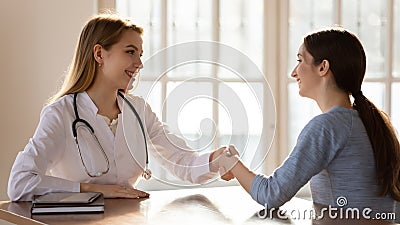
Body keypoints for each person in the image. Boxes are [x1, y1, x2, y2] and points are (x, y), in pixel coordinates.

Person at [7, 13, 227, 201]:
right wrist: (94, 190)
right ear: (99, 54)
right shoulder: (61, 114)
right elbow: (20, 183)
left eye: (140, 55)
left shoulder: (139, 111)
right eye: (130, 52)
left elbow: (182, 162)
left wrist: (216, 160)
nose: (139, 63)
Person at [218, 28, 400, 218]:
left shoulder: (327, 127)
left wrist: (230, 163)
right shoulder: (371, 123)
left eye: (300, 60)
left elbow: (270, 194)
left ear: (323, 67)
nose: (293, 73)